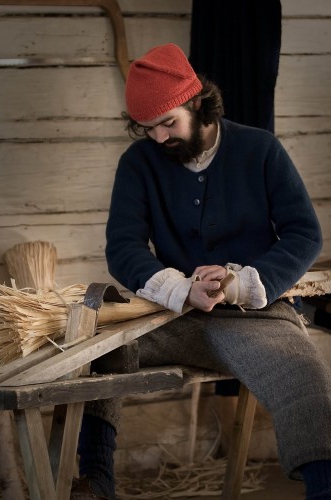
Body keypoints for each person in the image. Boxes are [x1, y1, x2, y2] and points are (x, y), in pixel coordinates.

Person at [71, 43, 331, 500]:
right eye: (146, 128)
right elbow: (124, 247)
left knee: (304, 376)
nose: (157, 138)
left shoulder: (260, 149)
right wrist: (179, 289)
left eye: (168, 123)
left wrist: (240, 283)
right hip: (169, 316)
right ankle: (95, 480)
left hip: (255, 317)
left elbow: (303, 234)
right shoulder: (138, 163)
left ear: (199, 103)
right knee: (97, 347)